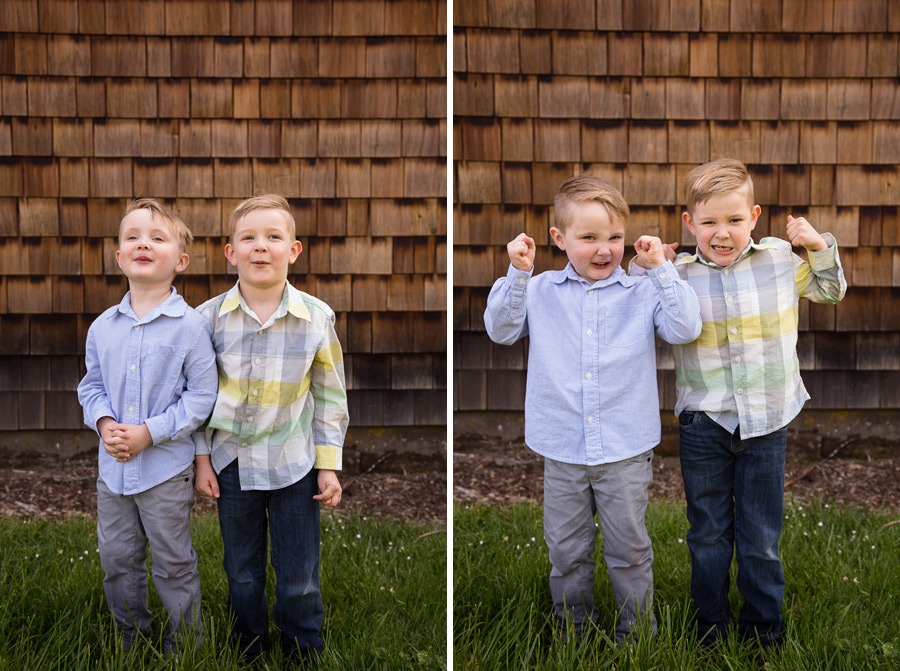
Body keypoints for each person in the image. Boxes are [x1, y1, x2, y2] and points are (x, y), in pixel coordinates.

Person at [484, 174, 702, 642]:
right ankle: (573, 633)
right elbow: (501, 330)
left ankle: (637, 635)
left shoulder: (642, 292)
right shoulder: (539, 290)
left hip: (624, 447)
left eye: (615, 238)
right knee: (566, 550)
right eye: (588, 238)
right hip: (562, 446)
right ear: (559, 240)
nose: (604, 250)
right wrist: (517, 273)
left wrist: (661, 267)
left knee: (628, 549)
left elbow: (685, 328)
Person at [659, 158, 847, 647]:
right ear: (689, 224)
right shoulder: (676, 273)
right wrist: (648, 265)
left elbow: (831, 289)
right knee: (707, 533)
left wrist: (818, 244)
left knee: (761, 536)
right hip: (704, 422)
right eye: (709, 222)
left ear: (755, 216)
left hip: (767, 419)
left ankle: (764, 631)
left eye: (735, 220)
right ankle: (711, 628)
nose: (723, 233)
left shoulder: (782, 259)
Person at [193, 194, 348, 664]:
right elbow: (197, 397)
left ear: (294, 249)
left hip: (294, 463)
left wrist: (328, 465)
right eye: (249, 238)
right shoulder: (206, 319)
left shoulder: (316, 317)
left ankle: (303, 648)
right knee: (241, 569)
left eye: (273, 237)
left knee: (299, 571)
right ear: (230, 252)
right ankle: (249, 646)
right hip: (231, 463)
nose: (261, 247)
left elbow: (330, 396)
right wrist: (202, 458)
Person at [77, 198, 218, 653]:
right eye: (133, 237)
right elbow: (91, 386)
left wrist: (149, 433)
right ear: (119, 257)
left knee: (172, 561)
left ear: (179, 261)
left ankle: (187, 646)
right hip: (113, 470)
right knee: (117, 559)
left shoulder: (191, 328)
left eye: (157, 237)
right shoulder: (103, 328)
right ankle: (130, 638)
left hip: (164, 470)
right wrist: (104, 423)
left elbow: (201, 398)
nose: (143, 243)